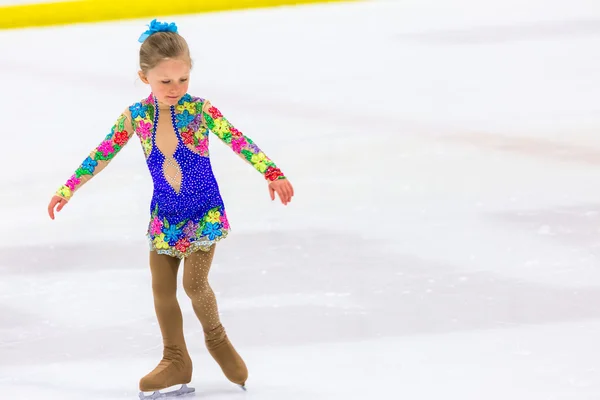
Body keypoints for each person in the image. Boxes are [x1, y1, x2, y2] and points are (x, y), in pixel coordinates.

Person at [47, 19, 294, 399]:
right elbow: (102, 153)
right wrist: (69, 187)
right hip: (165, 217)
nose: (175, 89)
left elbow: (239, 141)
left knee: (194, 285)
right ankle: (175, 359)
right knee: (161, 291)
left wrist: (271, 172)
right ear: (144, 77)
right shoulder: (136, 117)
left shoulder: (201, 111)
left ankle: (217, 340)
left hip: (204, 213)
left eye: (182, 79)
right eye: (165, 82)